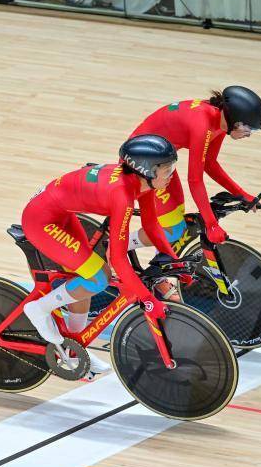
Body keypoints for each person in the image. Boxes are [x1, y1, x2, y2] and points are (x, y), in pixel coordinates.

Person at [20, 136, 181, 375]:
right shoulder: (123, 195)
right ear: (147, 171)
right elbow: (117, 258)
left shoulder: (142, 184)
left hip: (60, 212)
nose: (172, 175)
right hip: (41, 220)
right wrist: (148, 299)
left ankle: (74, 350)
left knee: (84, 278)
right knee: (98, 277)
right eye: (168, 170)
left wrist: (173, 259)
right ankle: (39, 309)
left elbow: (152, 226)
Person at [128, 86, 261, 252]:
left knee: (176, 217)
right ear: (236, 121)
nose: (249, 134)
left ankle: (160, 270)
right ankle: (119, 246)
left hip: (158, 161)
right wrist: (211, 224)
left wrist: (242, 194)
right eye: (250, 129)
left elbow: (209, 164)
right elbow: (194, 180)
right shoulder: (203, 125)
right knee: (173, 229)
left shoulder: (220, 121)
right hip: (140, 162)